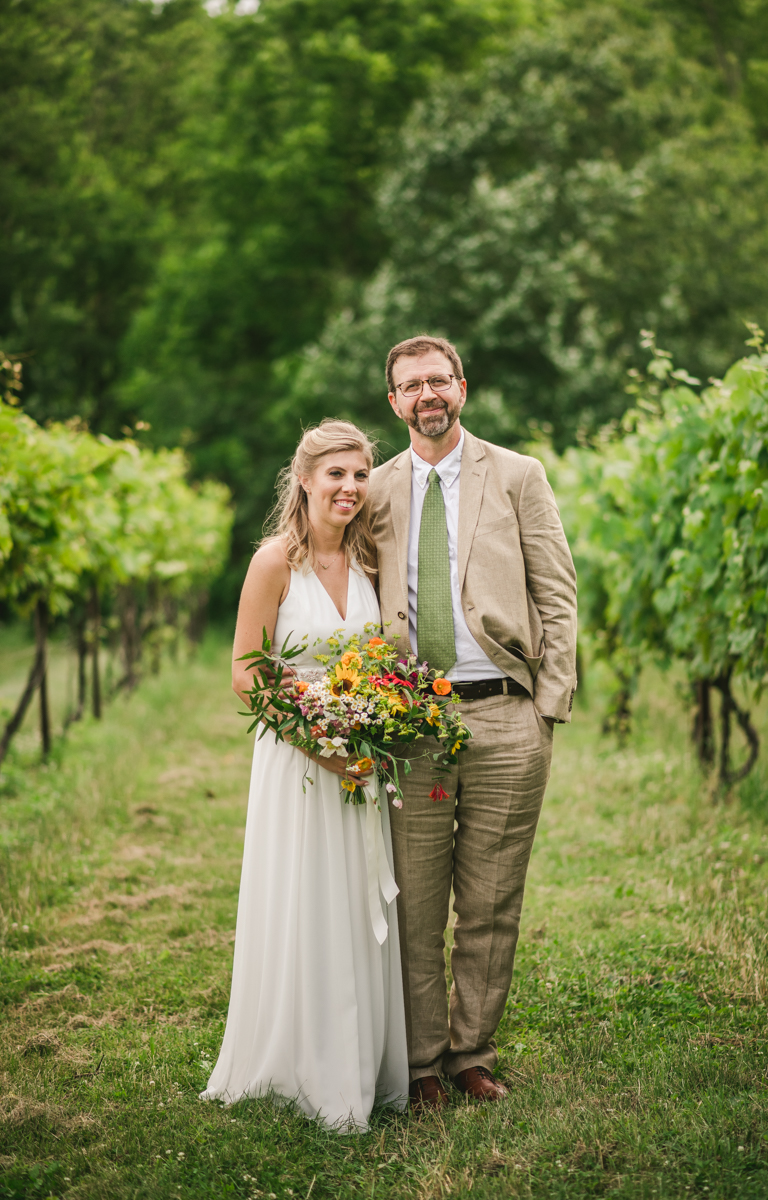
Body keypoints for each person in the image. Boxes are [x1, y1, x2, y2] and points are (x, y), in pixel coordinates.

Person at [367, 335, 578, 1110]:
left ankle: (472, 1055)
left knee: (491, 901)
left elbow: (557, 591)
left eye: (438, 380)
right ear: (393, 401)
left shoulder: (518, 475)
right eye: (411, 384)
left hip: (505, 718)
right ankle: (421, 1064)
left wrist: (548, 707)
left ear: (462, 388)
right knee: (416, 903)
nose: (427, 394)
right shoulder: (376, 488)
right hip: (411, 723)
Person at [202, 420, 407, 1132]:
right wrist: (318, 741)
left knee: (355, 904)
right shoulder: (273, 564)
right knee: (304, 897)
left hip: (362, 759)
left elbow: (383, 662)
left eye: (360, 477)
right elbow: (244, 672)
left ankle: (360, 1060)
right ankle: (299, 1062)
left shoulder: (374, 561)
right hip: (298, 761)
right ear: (305, 480)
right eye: (337, 476)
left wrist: (376, 728)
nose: (350, 489)